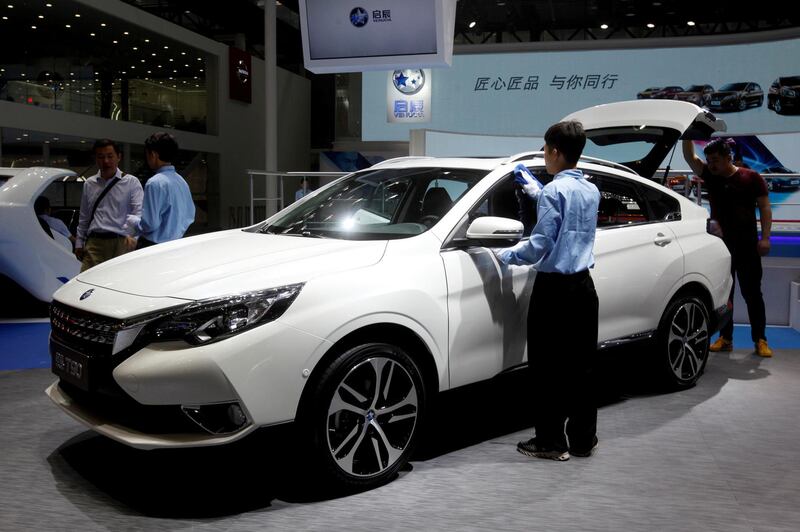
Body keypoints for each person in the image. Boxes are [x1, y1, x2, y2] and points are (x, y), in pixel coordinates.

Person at [496, 121, 601, 461]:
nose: (544, 156)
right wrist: (537, 191)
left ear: (555, 151)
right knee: (582, 367)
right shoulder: (590, 190)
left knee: (547, 368)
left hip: (554, 291)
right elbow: (568, 221)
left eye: (544, 150)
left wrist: (507, 256)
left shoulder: (554, 192)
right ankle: (584, 440)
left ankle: (551, 442)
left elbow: (540, 244)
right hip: (584, 288)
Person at [683, 138, 773, 357]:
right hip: (720, 249)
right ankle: (726, 338)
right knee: (725, 295)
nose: (711, 164)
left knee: (752, 294)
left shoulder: (751, 177)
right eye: (709, 160)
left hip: (748, 247)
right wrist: (688, 133)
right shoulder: (711, 177)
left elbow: (765, 207)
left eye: (715, 160)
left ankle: (760, 339)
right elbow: (689, 157)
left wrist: (766, 238)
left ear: (728, 157)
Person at [75, 139, 142, 272]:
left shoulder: (131, 182)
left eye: (110, 156)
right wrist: (79, 242)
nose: (106, 161)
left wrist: (134, 237)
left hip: (121, 242)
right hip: (95, 242)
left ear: (119, 157)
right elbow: (84, 217)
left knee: (119, 283)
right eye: (101, 157)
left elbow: (138, 212)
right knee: (86, 281)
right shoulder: (89, 183)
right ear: (96, 159)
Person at [132, 132, 195, 249]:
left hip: (152, 246)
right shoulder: (182, 181)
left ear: (153, 154)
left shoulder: (154, 183)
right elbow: (190, 215)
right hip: (176, 244)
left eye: (147, 154)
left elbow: (150, 224)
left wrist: (134, 222)